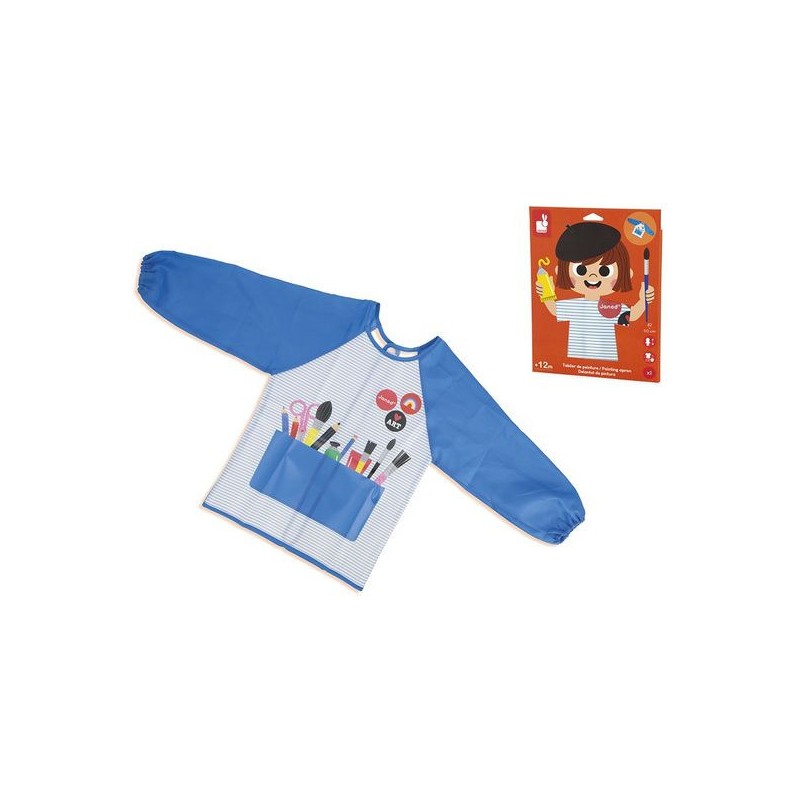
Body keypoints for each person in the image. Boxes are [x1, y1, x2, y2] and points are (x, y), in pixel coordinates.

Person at [536, 221, 655, 361]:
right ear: (560, 272)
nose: (592, 277)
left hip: (607, 363)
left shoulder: (609, 308)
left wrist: (644, 300)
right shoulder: (575, 306)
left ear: (627, 274)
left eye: (605, 271)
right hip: (576, 361)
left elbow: (632, 315)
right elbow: (555, 310)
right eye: (581, 270)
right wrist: (546, 291)